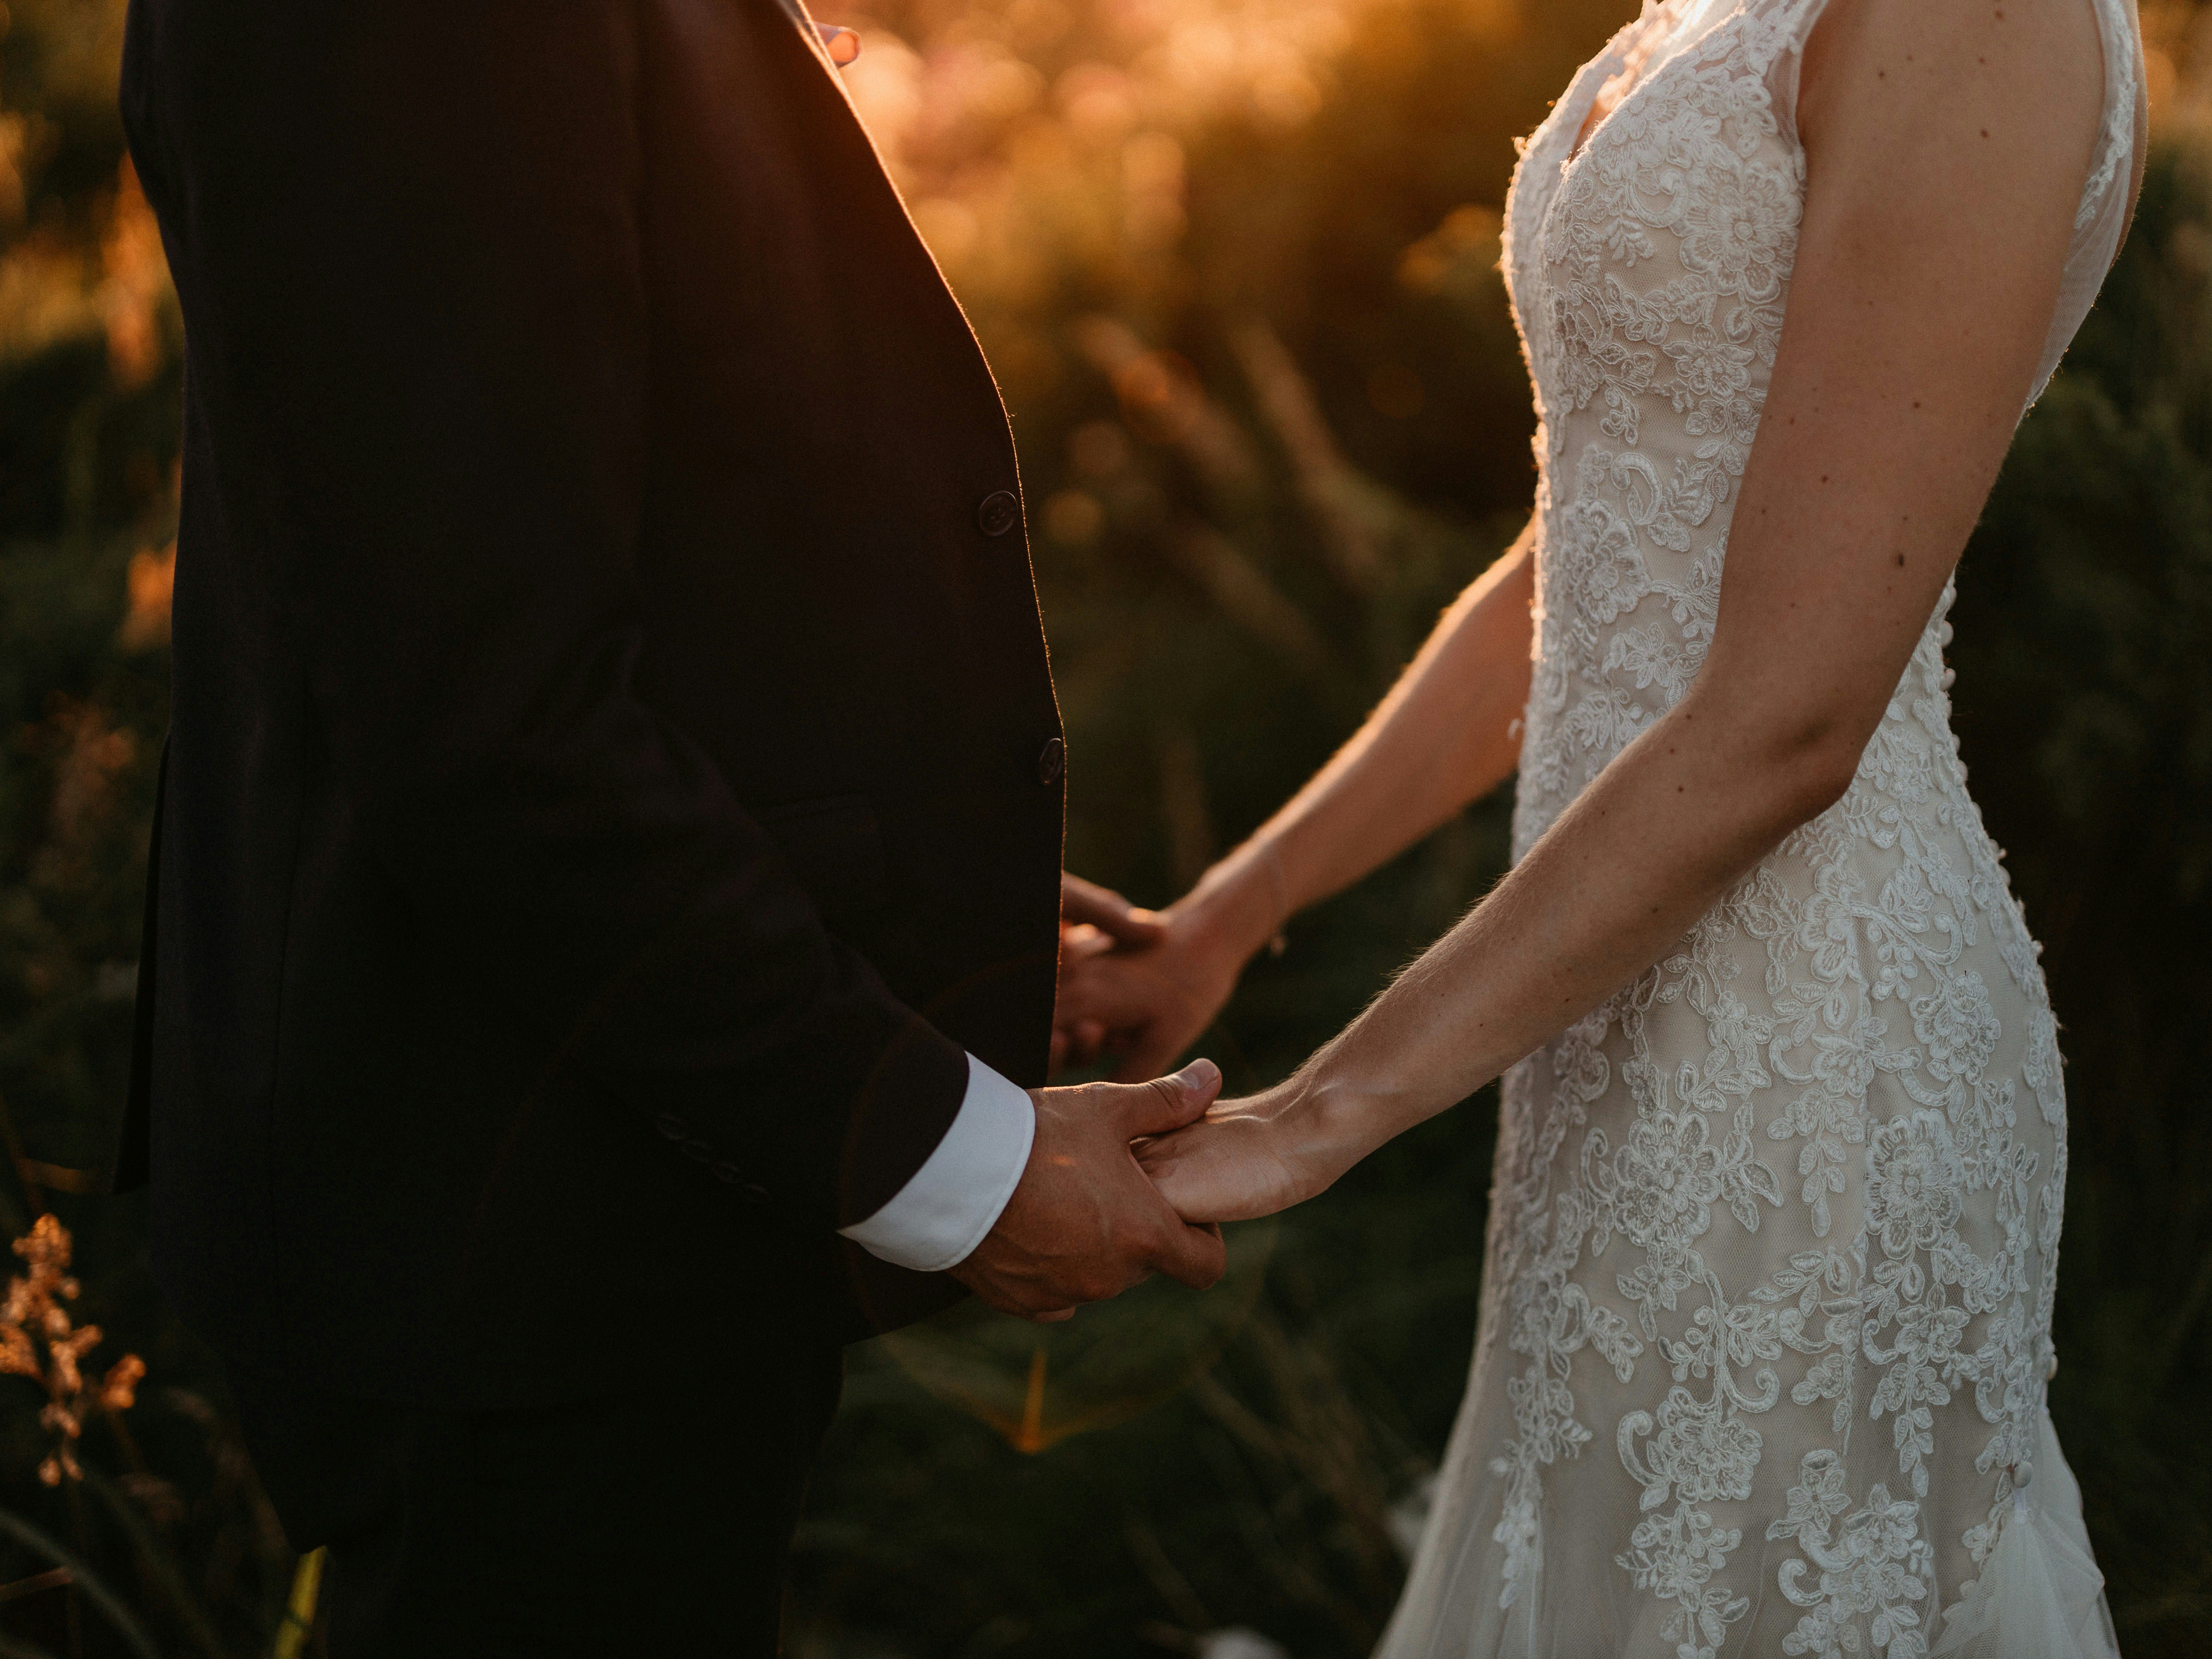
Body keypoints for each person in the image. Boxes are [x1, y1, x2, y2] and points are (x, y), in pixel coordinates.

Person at [111, 1, 1221, 1652]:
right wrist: (949, 1158)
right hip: (517, 1225)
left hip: (600, 1171)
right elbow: (495, 724)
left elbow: (588, 529)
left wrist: (903, 903)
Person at [1059, 0, 2142, 1651]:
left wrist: (1319, 1113)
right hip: (1591, 995)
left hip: (1802, 1040)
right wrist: (1232, 909)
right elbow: (1584, 550)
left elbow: (1790, 717)